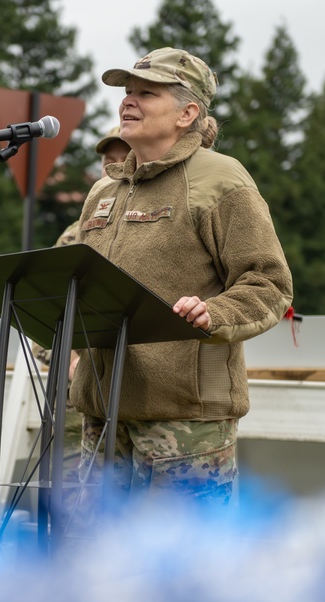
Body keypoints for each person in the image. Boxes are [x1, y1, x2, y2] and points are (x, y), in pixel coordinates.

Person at [70, 47, 293, 511]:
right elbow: (78, 284)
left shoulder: (221, 180)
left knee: (182, 575)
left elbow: (269, 284)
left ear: (187, 113)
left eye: (145, 93)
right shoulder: (102, 191)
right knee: (96, 572)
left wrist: (214, 313)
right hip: (102, 420)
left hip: (185, 424)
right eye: (127, 92)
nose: (127, 102)